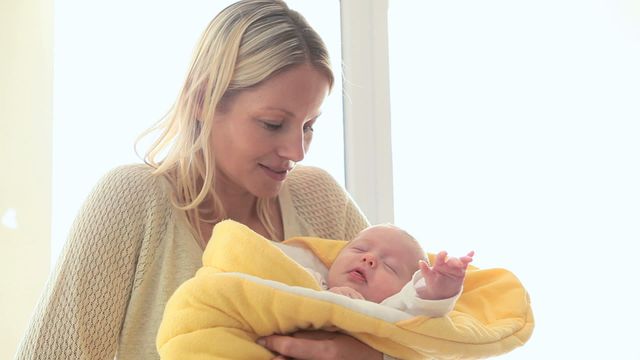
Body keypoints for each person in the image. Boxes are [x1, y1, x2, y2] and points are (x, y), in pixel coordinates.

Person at [15, 0, 387, 359]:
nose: (297, 151)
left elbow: (430, 333)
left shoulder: (320, 200)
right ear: (203, 99)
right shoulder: (131, 201)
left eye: (309, 126)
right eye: (273, 124)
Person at [293, 224, 475, 316]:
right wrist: (329, 297)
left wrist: (440, 289)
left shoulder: (391, 308)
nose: (369, 258)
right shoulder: (311, 279)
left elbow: (419, 303)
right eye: (360, 249)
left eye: (390, 266)